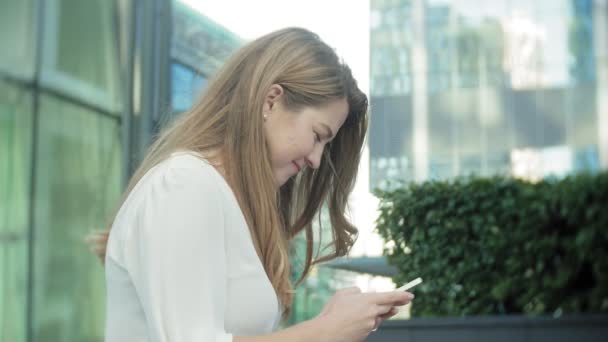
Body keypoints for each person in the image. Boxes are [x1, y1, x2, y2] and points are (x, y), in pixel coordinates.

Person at [87, 27, 414, 342]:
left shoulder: (221, 200)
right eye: (317, 136)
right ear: (271, 100)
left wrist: (328, 325)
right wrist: (326, 332)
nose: (316, 159)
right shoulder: (184, 185)